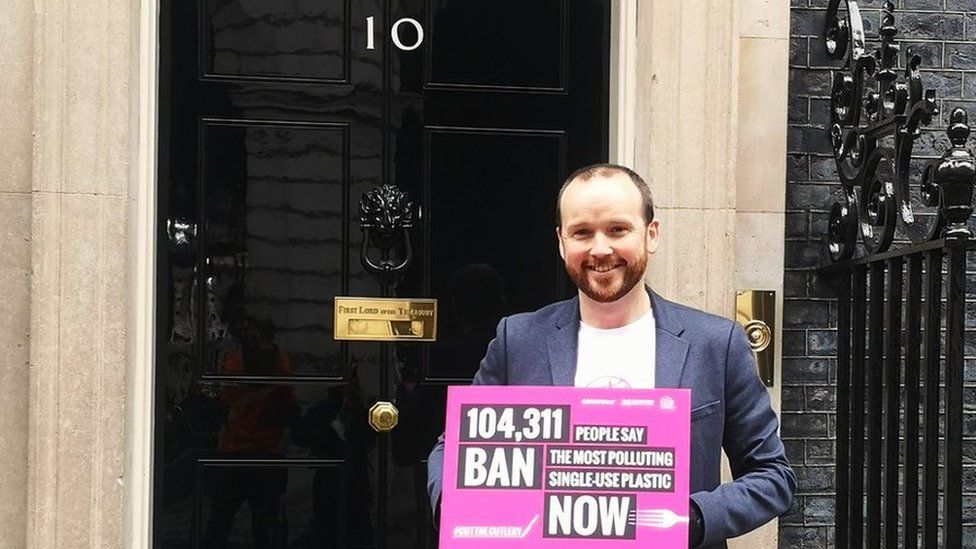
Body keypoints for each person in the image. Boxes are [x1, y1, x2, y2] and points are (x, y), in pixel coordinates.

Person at [426, 164, 796, 548]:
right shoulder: (516, 339)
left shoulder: (716, 344)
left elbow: (773, 475)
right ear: (560, 242)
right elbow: (452, 446)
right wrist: (454, 508)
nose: (600, 249)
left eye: (618, 230)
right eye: (582, 232)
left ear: (651, 235)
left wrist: (696, 518)